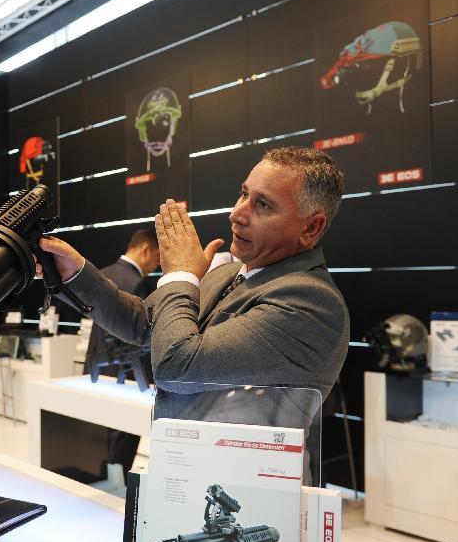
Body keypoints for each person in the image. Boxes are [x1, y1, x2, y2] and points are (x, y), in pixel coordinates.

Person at [40, 147, 349, 481]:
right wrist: (75, 273)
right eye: (243, 194)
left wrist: (180, 275)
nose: (237, 214)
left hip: (248, 497)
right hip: (186, 478)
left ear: (311, 228)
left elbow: (177, 367)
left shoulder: (311, 302)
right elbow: (143, 322)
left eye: (263, 204)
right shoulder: (229, 273)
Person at [84, 228, 159, 477]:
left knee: (95, 444)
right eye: (157, 257)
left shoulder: (101, 273)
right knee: (120, 452)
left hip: (96, 371)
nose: (156, 265)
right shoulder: (137, 283)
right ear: (146, 249)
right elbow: (140, 336)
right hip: (126, 377)